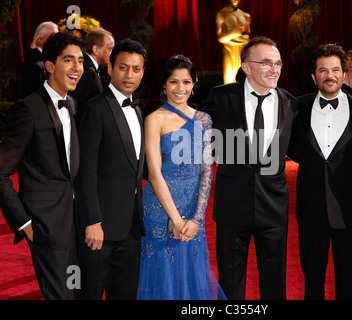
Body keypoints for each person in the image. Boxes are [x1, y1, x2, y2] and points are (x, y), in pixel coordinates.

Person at [202, 36, 298, 300]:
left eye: (278, 63)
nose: (274, 69)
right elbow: (199, 138)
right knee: (231, 281)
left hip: (274, 206)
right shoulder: (221, 97)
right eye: (266, 63)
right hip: (233, 204)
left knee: (274, 279)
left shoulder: (290, 103)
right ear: (246, 67)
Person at [0, 31, 84, 299]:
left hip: (75, 222)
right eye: (68, 61)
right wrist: (25, 223)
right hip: (46, 226)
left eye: (80, 61)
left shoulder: (72, 104)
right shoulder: (28, 109)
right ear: (50, 66)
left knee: (75, 291)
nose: (77, 68)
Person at [288, 44, 352, 300]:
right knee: (312, 280)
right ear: (314, 76)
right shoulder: (296, 108)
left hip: (348, 211)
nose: (330, 75)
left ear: (344, 73)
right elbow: (291, 147)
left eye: (336, 69)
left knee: (349, 281)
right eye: (323, 70)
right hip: (310, 210)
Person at [137, 55, 226, 300]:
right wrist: (176, 220)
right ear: (164, 85)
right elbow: (154, 175)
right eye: (173, 82)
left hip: (192, 212)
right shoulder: (154, 120)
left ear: (194, 84)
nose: (180, 89)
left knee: (191, 278)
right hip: (160, 211)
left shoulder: (204, 120)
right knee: (162, 278)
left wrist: (197, 219)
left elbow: (206, 172)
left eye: (186, 82)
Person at [75, 39, 147, 300]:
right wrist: (92, 221)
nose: (130, 75)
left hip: (131, 228)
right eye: (123, 67)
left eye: (136, 69)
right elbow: (85, 172)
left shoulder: (138, 112)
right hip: (100, 230)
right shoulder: (95, 109)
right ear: (110, 69)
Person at [70, 27, 115, 121]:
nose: (113, 54)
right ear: (96, 49)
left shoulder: (87, 66)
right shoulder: (87, 70)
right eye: (110, 49)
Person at [18, 21, 58, 99]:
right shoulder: (34, 64)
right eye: (53, 37)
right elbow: (29, 94)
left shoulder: (45, 59)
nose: (57, 41)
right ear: (40, 40)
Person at [216, 0, 251, 84]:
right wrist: (233, 32)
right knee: (228, 79)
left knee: (242, 78)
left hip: (242, 50)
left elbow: (247, 37)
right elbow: (220, 38)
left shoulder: (246, 15)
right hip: (229, 49)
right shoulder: (221, 14)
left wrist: (235, 37)